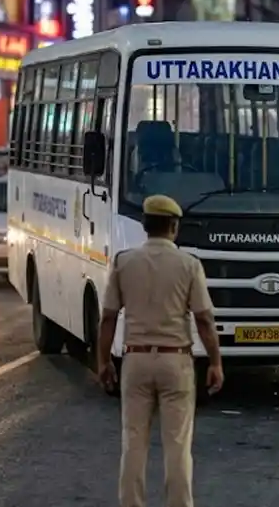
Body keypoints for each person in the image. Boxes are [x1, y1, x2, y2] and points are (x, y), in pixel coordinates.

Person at [96, 195, 221, 507]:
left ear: (144, 225)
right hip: (175, 359)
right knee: (177, 445)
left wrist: (102, 362)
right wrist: (216, 362)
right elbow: (204, 319)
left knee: (133, 442)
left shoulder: (124, 262)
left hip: (135, 359)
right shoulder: (189, 265)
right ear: (174, 227)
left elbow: (108, 317)